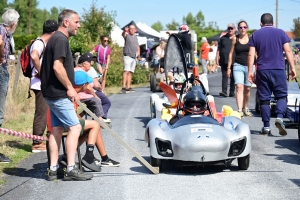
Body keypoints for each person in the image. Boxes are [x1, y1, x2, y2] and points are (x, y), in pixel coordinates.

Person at [40, 9, 92, 181]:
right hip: (58, 94)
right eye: (76, 22)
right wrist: (70, 88)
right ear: (66, 23)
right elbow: (57, 67)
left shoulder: (55, 39)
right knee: (76, 127)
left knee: (56, 130)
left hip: (51, 94)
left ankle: (53, 170)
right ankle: (70, 168)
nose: (79, 25)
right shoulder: (61, 40)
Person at [248, 13, 296, 136]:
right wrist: (293, 68)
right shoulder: (280, 33)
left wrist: (250, 72)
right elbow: (288, 50)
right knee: (281, 96)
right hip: (278, 69)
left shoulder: (255, 35)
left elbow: (251, 54)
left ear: (261, 23)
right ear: (273, 23)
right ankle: (279, 117)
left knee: (264, 99)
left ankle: (266, 126)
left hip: (262, 70)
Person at [30, 20, 58, 153]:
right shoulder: (39, 43)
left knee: (45, 111)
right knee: (42, 112)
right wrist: (42, 73)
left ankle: (42, 139)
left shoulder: (41, 42)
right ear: (52, 32)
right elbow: (34, 56)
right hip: (39, 84)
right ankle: (37, 142)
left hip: (42, 83)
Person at [0, 9, 19, 163]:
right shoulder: (2, 32)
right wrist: (1, 56)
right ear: (13, 24)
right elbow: (0, 42)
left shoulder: (5, 33)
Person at [76, 52, 112, 125]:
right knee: (98, 100)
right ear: (84, 64)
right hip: (82, 94)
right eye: (89, 62)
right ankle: (100, 119)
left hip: (81, 94)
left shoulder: (80, 71)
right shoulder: (81, 72)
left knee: (95, 100)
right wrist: (96, 94)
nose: (91, 63)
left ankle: (96, 118)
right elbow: (88, 87)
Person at [227, 21, 252, 117]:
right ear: (238, 29)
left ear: (247, 28)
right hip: (238, 65)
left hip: (249, 66)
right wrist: (229, 67)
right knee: (239, 87)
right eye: (240, 27)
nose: (243, 29)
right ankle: (239, 110)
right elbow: (231, 54)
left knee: (248, 88)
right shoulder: (235, 39)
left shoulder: (251, 39)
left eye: (244, 27)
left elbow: (256, 53)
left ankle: (246, 107)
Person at [216, 23, 236, 98]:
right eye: (229, 28)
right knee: (224, 76)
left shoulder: (237, 38)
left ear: (234, 29)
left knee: (233, 77)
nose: (230, 30)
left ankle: (232, 92)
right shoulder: (223, 38)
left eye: (231, 28)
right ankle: (224, 91)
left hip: (234, 60)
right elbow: (219, 49)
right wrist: (217, 58)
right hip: (224, 60)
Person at [121, 24, 140, 94]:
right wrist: (124, 31)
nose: (132, 30)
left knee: (131, 72)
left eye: (133, 29)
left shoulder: (136, 37)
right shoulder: (127, 36)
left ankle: (128, 87)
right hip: (127, 56)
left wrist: (138, 55)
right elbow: (123, 34)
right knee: (126, 71)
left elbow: (137, 46)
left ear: (135, 30)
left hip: (134, 57)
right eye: (131, 29)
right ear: (129, 30)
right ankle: (123, 87)